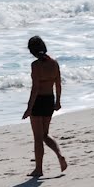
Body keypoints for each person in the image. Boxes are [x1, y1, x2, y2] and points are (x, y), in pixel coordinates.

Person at [21, 35, 67, 178]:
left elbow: (35, 88)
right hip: (49, 100)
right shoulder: (54, 63)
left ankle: (39, 169)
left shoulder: (35, 65)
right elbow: (58, 84)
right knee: (45, 134)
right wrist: (58, 101)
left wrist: (29, 108)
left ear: (32, 51)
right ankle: (60, 155)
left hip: (38, 101)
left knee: (38, 138)